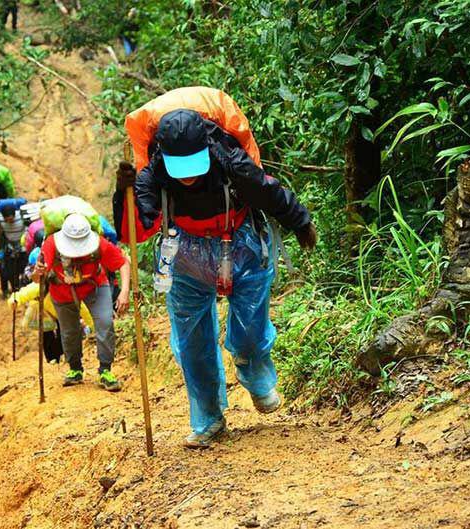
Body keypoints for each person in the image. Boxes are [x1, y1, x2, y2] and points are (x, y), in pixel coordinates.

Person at [114, 107, 317, 448]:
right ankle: (208, 418)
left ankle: (255, 375)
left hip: (239, 243)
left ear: (206, 148)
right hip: (185, 255)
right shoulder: (152, 175)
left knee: (250, 328)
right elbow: (134, 229)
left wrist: (300, 221)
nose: (188, 177)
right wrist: (124, 193)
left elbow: (266, 190)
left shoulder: (230, 161)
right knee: (192, 342)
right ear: (163, 156)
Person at [33, 213, 131, 391]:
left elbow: (123, 263)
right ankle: (75, 368)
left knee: (105, 322)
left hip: (94, 285)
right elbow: (36, 279)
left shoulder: (99, 244)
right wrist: (37, 272)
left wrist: (124, 292)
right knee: (69, 331)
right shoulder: (51, 244)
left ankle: (105, 370)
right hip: (61, 289)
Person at [0, 205, 27, 297]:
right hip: (10, 248)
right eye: (6, 220)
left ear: (15, 215)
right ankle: (15, 290)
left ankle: (23, 291)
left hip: (23, 248)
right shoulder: (0, 219)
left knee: (23, 270)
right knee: (10, 272)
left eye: (11, 220)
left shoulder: (22, 217)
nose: (9, 222)